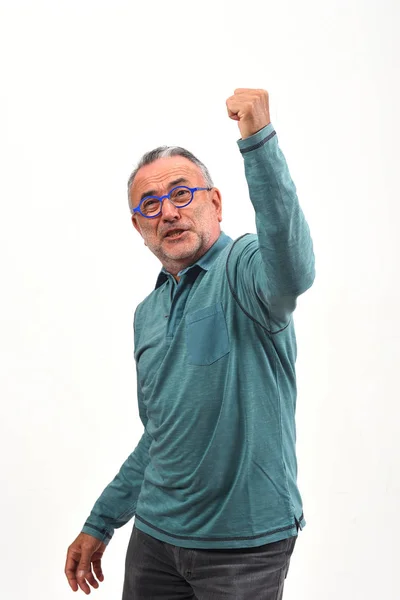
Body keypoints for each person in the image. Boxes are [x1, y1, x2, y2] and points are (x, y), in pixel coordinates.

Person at [65, 88, 315, 599]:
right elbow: (160, 437)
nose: (169, 212)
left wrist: (259, 142)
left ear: (215, 203)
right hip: (154, 540)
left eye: (183, 194)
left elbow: (293, 269)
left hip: (243, 549)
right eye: (151, 205)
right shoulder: (148, 314)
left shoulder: (246, 269)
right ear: (139, 226)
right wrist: (102, 521)